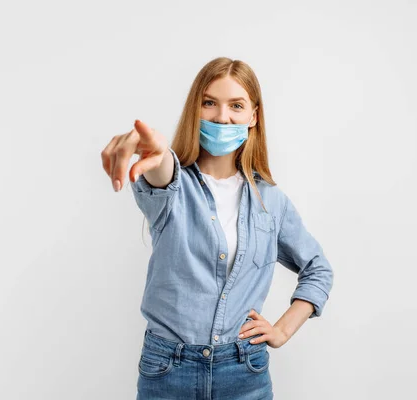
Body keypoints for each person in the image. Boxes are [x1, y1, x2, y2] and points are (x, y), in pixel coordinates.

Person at [101, 57, 334, 400]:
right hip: (168, 370)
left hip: (243, 372)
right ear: (195, 109)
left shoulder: (270, 200)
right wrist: (158, 151)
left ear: (254, 116)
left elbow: (318, 269)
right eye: (209, 103)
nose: (221, 117)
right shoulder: (176, 186)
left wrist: (283, 329)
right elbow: (163, 172)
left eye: (236, 106)